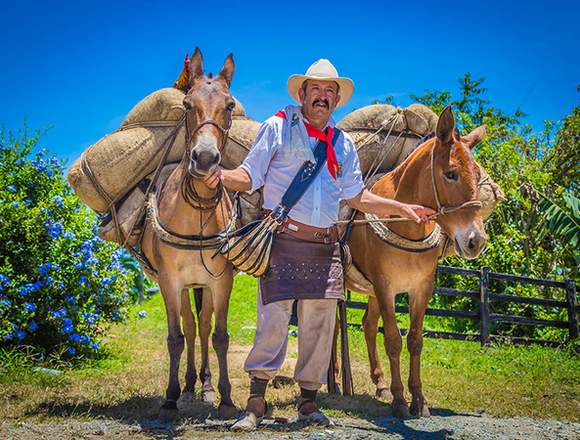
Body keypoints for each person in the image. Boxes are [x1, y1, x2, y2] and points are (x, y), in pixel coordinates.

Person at [202, 59, 435, 431]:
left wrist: (402, 207)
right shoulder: (277, 128)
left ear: (336, 99)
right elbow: (250, 176)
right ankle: (256, 403)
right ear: (303, 94)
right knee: (273, 323)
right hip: (283, 241)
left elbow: (358, 196)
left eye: (330, 92)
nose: (323, 97)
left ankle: (308, 404)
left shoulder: (342, 144)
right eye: (316, 90)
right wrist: (221, 175)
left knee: (318, 327)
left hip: (325, 248)